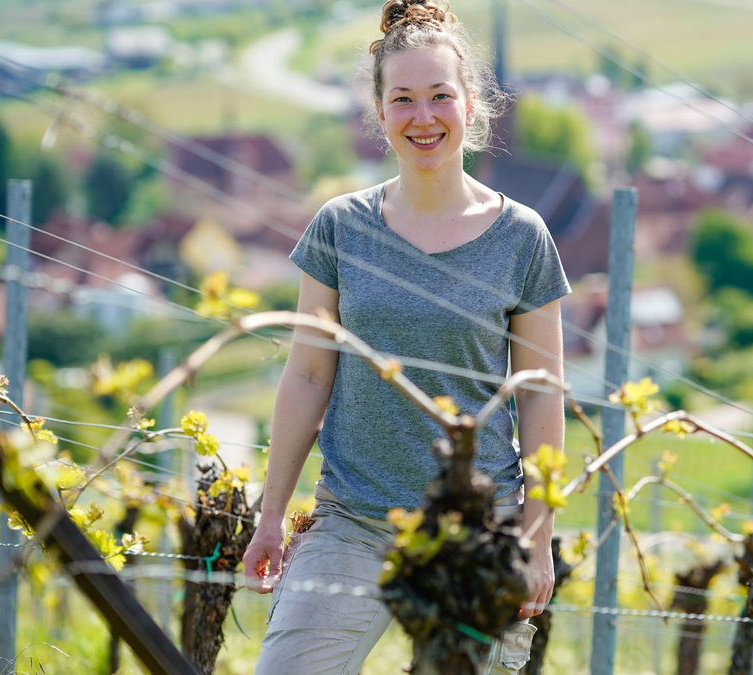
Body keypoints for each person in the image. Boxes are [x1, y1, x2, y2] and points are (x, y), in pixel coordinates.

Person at [244, 0, 570, 673]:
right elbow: (307, 374)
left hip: (479, 532)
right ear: (380, 112)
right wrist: (271, 515)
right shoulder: (340, 227)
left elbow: (542, 394)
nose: (424, 117)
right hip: (354, 520)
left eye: (440, 96)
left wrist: (536, 539)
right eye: (403, 99)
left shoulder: (523, 237)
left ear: (471, 105)